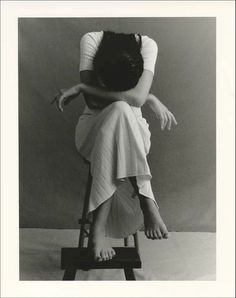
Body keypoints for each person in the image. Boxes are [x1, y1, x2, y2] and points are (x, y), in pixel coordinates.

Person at [52, 30, 177, 262]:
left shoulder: (149, 44)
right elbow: (96, 102)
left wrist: (82, 87)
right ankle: (147, 201)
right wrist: (144, 97)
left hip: (135, 133)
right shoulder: (90, 40)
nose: (118, 94)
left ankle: (97, 228)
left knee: (122, 110)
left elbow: (137, 100)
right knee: (121, 109)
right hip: (93, 129)